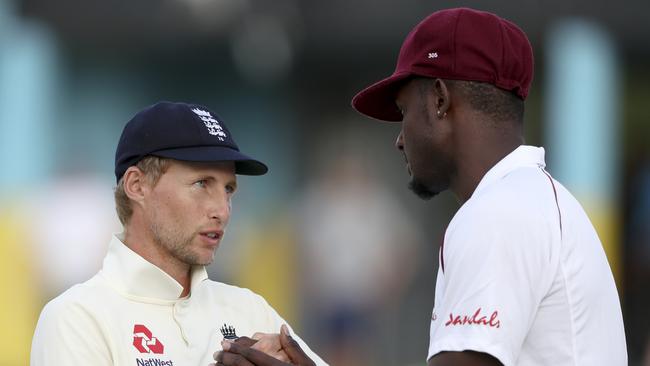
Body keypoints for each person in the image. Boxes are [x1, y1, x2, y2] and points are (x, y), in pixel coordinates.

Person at [216, 7, 628, 366]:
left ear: (439, 100)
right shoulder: (535, 199)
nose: (399, 137)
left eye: (403, 111)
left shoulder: (499, 213)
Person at [30, 101, 328, 366]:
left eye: (228, 189)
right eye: (202, 183)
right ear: (137, 186)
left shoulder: (250, 308)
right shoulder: (78, 317)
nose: (222, 210)